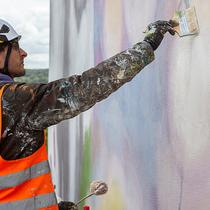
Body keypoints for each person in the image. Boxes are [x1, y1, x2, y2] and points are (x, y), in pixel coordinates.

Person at [0, 18, 176, 210]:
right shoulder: (12, 100)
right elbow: (85, 88)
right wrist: (147, 45)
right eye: (15, 46)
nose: (24, 53)